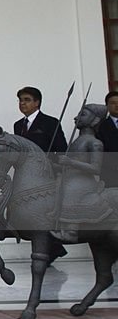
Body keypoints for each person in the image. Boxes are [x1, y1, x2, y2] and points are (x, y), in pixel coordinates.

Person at [52, 104, 113, 243]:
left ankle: (71, 231)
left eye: (82, 115)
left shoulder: (95, 143)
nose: (76, 117)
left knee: (69, 190)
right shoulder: (77, 141)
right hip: (70, 176)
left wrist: (70, 162)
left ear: (95, 120)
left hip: (82, 181)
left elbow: (95, 168)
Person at [14, 86, 67, 153]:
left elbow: (62, 150)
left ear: (37, 103)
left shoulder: (51, 123)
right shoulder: (18, 125)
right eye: (20, 100)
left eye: (27, 100)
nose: (22, 103)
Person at [96, 91, 118, 187]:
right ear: (107, 106)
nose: (117, 105)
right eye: (113, 103)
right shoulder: (100, 127)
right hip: (111, 174)